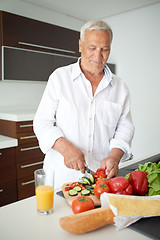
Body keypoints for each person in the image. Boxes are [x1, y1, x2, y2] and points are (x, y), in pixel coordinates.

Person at [33, 19, 135, 188]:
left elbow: (125, 127)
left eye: (105, 49)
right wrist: (66, 149)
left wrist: (114, 157)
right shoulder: (60, 78)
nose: (98, 56)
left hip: (100, 179)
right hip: (61, 177)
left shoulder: (120, 87)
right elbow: (42, 122)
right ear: (80, 45)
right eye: (92, 48)